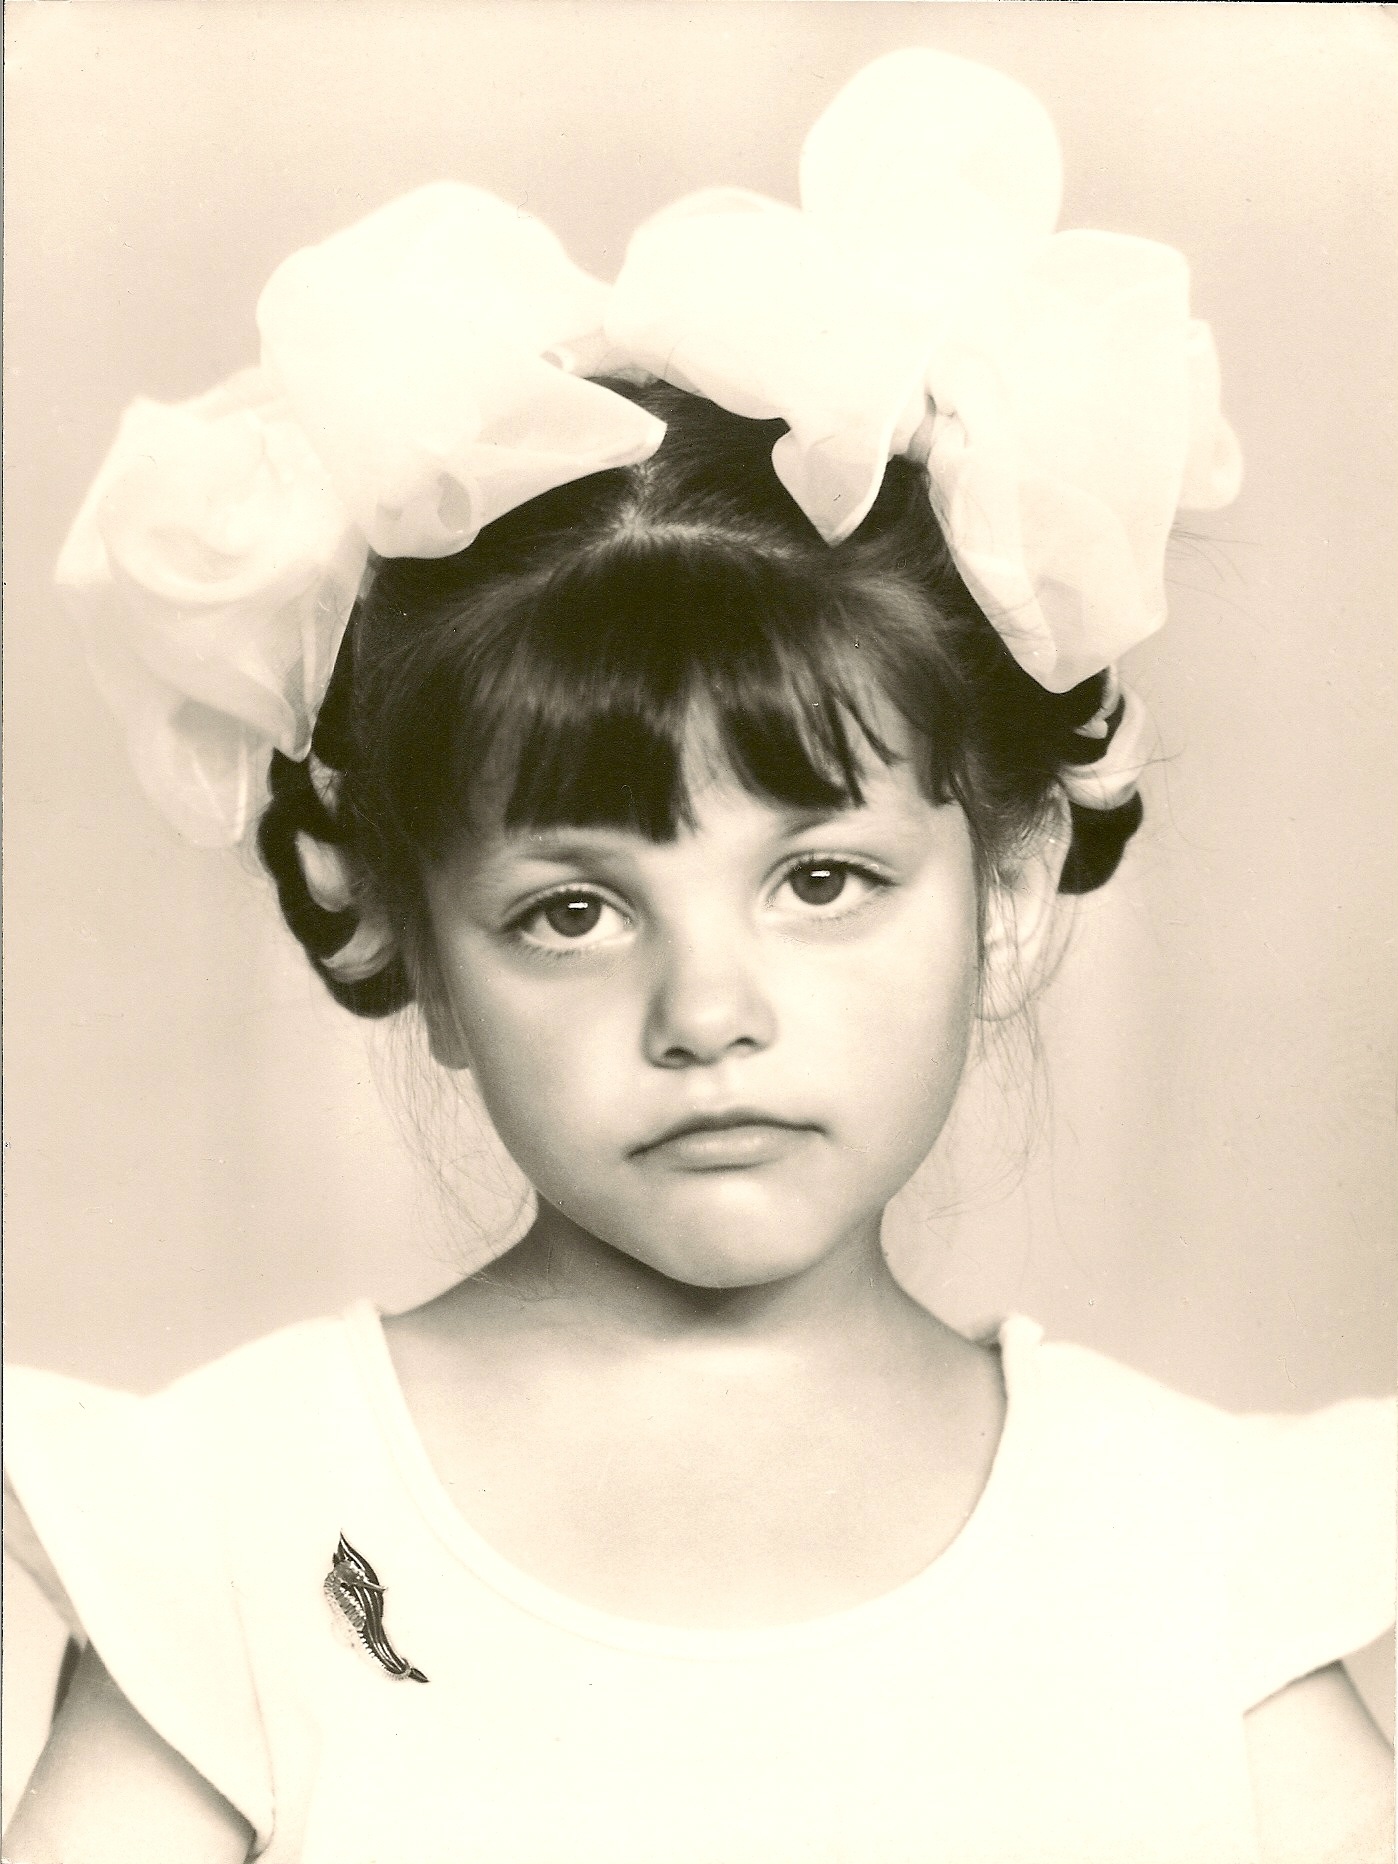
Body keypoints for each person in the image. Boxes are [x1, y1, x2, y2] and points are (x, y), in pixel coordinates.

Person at [3, 48, 1392, 1864]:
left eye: (819, 879)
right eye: (571, 912)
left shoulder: (1194, 1554)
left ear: (1008, 886)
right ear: (407, 939)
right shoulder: (245, 1530)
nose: (708, 1014)